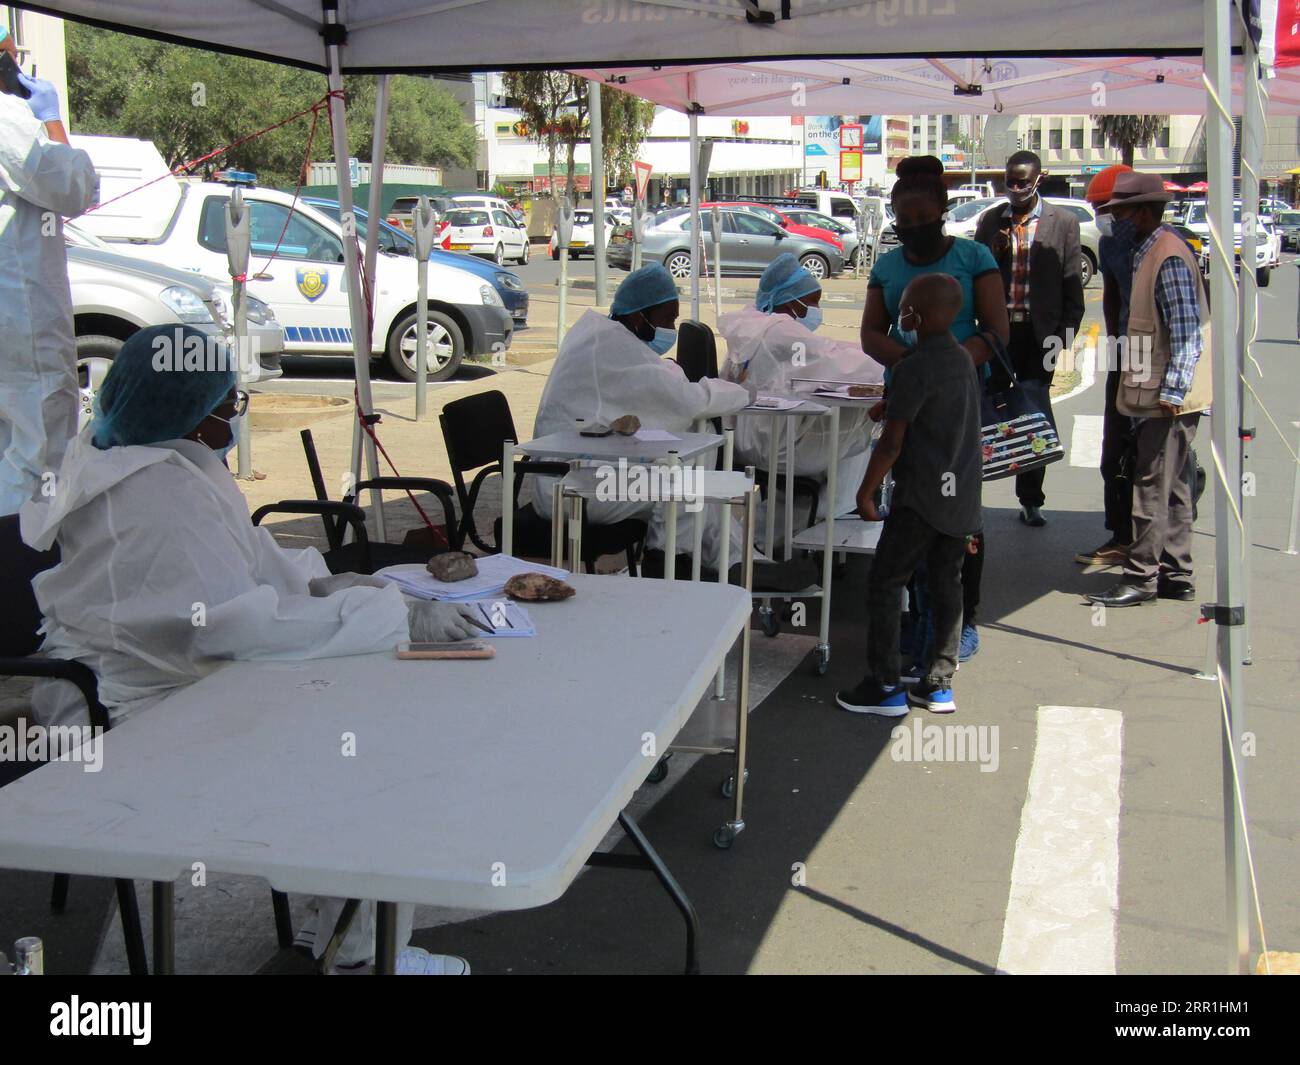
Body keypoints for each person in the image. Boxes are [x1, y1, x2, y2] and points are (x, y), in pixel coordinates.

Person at [20, 326, 479, 975]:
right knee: (375, 754)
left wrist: (327, 579)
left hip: (161, 687)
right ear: (191, 415)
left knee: (362, 724)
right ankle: (358, 956)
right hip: (135, 725)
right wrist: (390, 615)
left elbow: (240, 563)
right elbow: (239, 628)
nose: (238, 411)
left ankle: (350, 938)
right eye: (229, 402)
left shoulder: (147, 456)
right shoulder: (155, 498)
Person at [860, 156, 1009, 662]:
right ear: (895, 219)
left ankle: (963, 619)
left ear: (943, 212)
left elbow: (996, 329)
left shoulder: (974, 257)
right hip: (908, 397)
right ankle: (921, 620)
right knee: (914, 507)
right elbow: (870, 334)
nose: (915, 227)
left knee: (961, 514)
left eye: (925, 218)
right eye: (906, 220)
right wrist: (916, 370)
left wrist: (949, 371)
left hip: (964, 404)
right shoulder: (886, 267)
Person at [529, 263, 749, 573]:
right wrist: (742, 392)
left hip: (582, 471)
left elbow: (654, 388)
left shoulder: (600, 334)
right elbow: (686, 401)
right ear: (638, 315)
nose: (670, 328)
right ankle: (668, 566)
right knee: (687, 487)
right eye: (666, 319)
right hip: (572, 485)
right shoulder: (611, 345)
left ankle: (741, 564)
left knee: (698, 490)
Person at [836, 274, 983, 716]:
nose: (900, 314)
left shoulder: (912, 367)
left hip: (919, 497)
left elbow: (892, 444)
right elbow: (943, 413)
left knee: (886, 582)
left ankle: (884, 686)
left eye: (904, 307)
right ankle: (938, 683)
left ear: (916, 314)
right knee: (945, 585)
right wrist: (893, 403)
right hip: (960, 499)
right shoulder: (962, 360)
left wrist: (865, 493)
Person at [1085, 173, 1211, 607]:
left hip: (1165, 392)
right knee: (1173, 481)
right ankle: (1177, 571)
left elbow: (1187, 329)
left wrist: (1173, 391)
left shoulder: (1168, 255)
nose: (1112, 221)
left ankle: (1141, 576)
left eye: (1118, 213)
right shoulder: (1150, 249)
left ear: (1140, 213)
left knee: (1152, 481)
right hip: (1155, 384)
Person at [0, 29, 98, 514]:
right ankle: (24, 577)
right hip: (20, 317)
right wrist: (53, 120)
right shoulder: (6, 121)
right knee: (39, 459)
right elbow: (74, 190)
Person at [719, 252, 884, 523]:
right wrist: (892, 365)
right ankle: (828, 519)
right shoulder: (782, 330)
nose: (817, 310)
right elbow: (834, 359)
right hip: (773, 446)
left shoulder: (754, 326)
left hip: (749, 439)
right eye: (812, 302)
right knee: (859, 441)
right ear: (790, 300)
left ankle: (782, 525)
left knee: (841, 438)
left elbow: (824, 352)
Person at [974, 150, 1084, 527]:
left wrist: (1061, 341)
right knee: (988, 410)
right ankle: (977, 492)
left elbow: (1073, 290)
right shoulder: (991, 220)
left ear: (1040, 179)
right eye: (1010, 181)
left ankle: (1031, 499)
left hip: (1040, 335)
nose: (1016, 188)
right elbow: (977, 275)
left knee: (1032, 411)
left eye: (1023, 181)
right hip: (998, 333)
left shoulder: (1063, 223)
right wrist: (994, 251)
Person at [1075, 164, 1137, 566]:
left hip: (1157, 365)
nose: (1103, 218)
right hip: (1125, 358)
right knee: (1113, 454)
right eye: (1098, 209)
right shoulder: (1113, 244)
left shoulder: (1164, 244)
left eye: (1108, 209)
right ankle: (1120, 535)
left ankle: (1150, 546)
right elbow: (1111, 295)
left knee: (1149, 460)